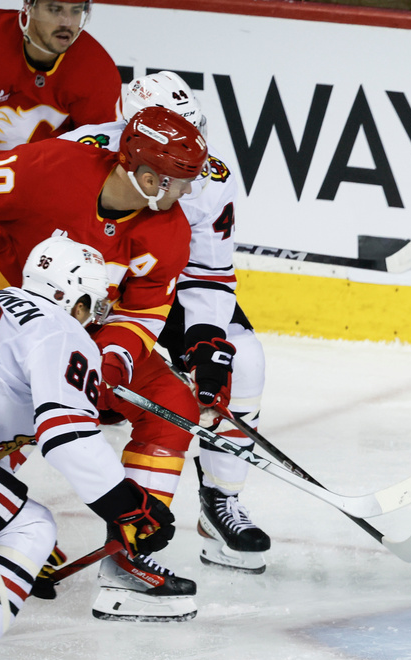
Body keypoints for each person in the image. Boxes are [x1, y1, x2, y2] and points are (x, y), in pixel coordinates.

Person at [0, 106, 208, 621]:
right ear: (148, 178)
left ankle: (129, 553)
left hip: (73, 328)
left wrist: (113, 358)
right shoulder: (52, 169)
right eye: (180, 182)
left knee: (170, 397)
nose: (187, 194)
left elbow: (145, 310)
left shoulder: (169, 230)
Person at [0, 237, 175, 660]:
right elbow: (66, 435)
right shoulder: (61, 328)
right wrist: (129, 507)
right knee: (29, 527)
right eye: (95, 306)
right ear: (79, 300)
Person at [61, 71, 271, 574]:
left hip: (160, 280)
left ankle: (221, 501)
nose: (188, 167)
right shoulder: (81, 151)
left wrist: (204, 340)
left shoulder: (208, 175)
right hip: (94, 281)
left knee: (244, 360)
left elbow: (209, 271)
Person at [0, 1, 120, 156]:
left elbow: (101, 154)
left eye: (76, 10)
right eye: (55, 9)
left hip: (33, 172)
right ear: (29, 6)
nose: (67, 22)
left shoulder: (96, 71)